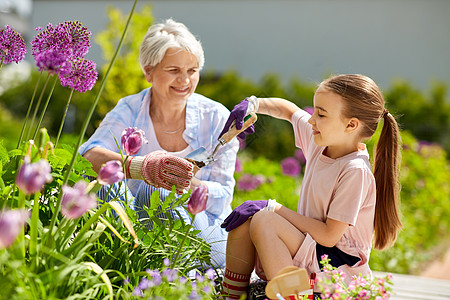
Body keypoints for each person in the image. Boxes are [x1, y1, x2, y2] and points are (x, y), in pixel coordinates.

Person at [220, 74, 402, 299]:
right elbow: (287, 110)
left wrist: (273, 208)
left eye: (321, 114)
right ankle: (232, 295)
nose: (311, 119)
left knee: (264, 219)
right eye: (314, 111)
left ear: (351, 125)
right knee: (244, 220)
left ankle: (292, 295)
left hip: (337, 268)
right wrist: (253, 104)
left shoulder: (355, 170)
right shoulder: (322, 143)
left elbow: (328, 236)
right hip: (314, 248)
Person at [79, 19, 240, 269]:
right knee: (104, 187)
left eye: (192, 70)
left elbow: (224, 195)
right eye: (174, 70)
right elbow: (88, 156)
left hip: (203, 229)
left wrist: (185, 181)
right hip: (137, 227)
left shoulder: (217, 117)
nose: (185, 80)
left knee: (156, 191)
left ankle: (172, 277)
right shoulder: (130, 108)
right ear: (148, 72)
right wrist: (141, 167)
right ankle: (122, 266)